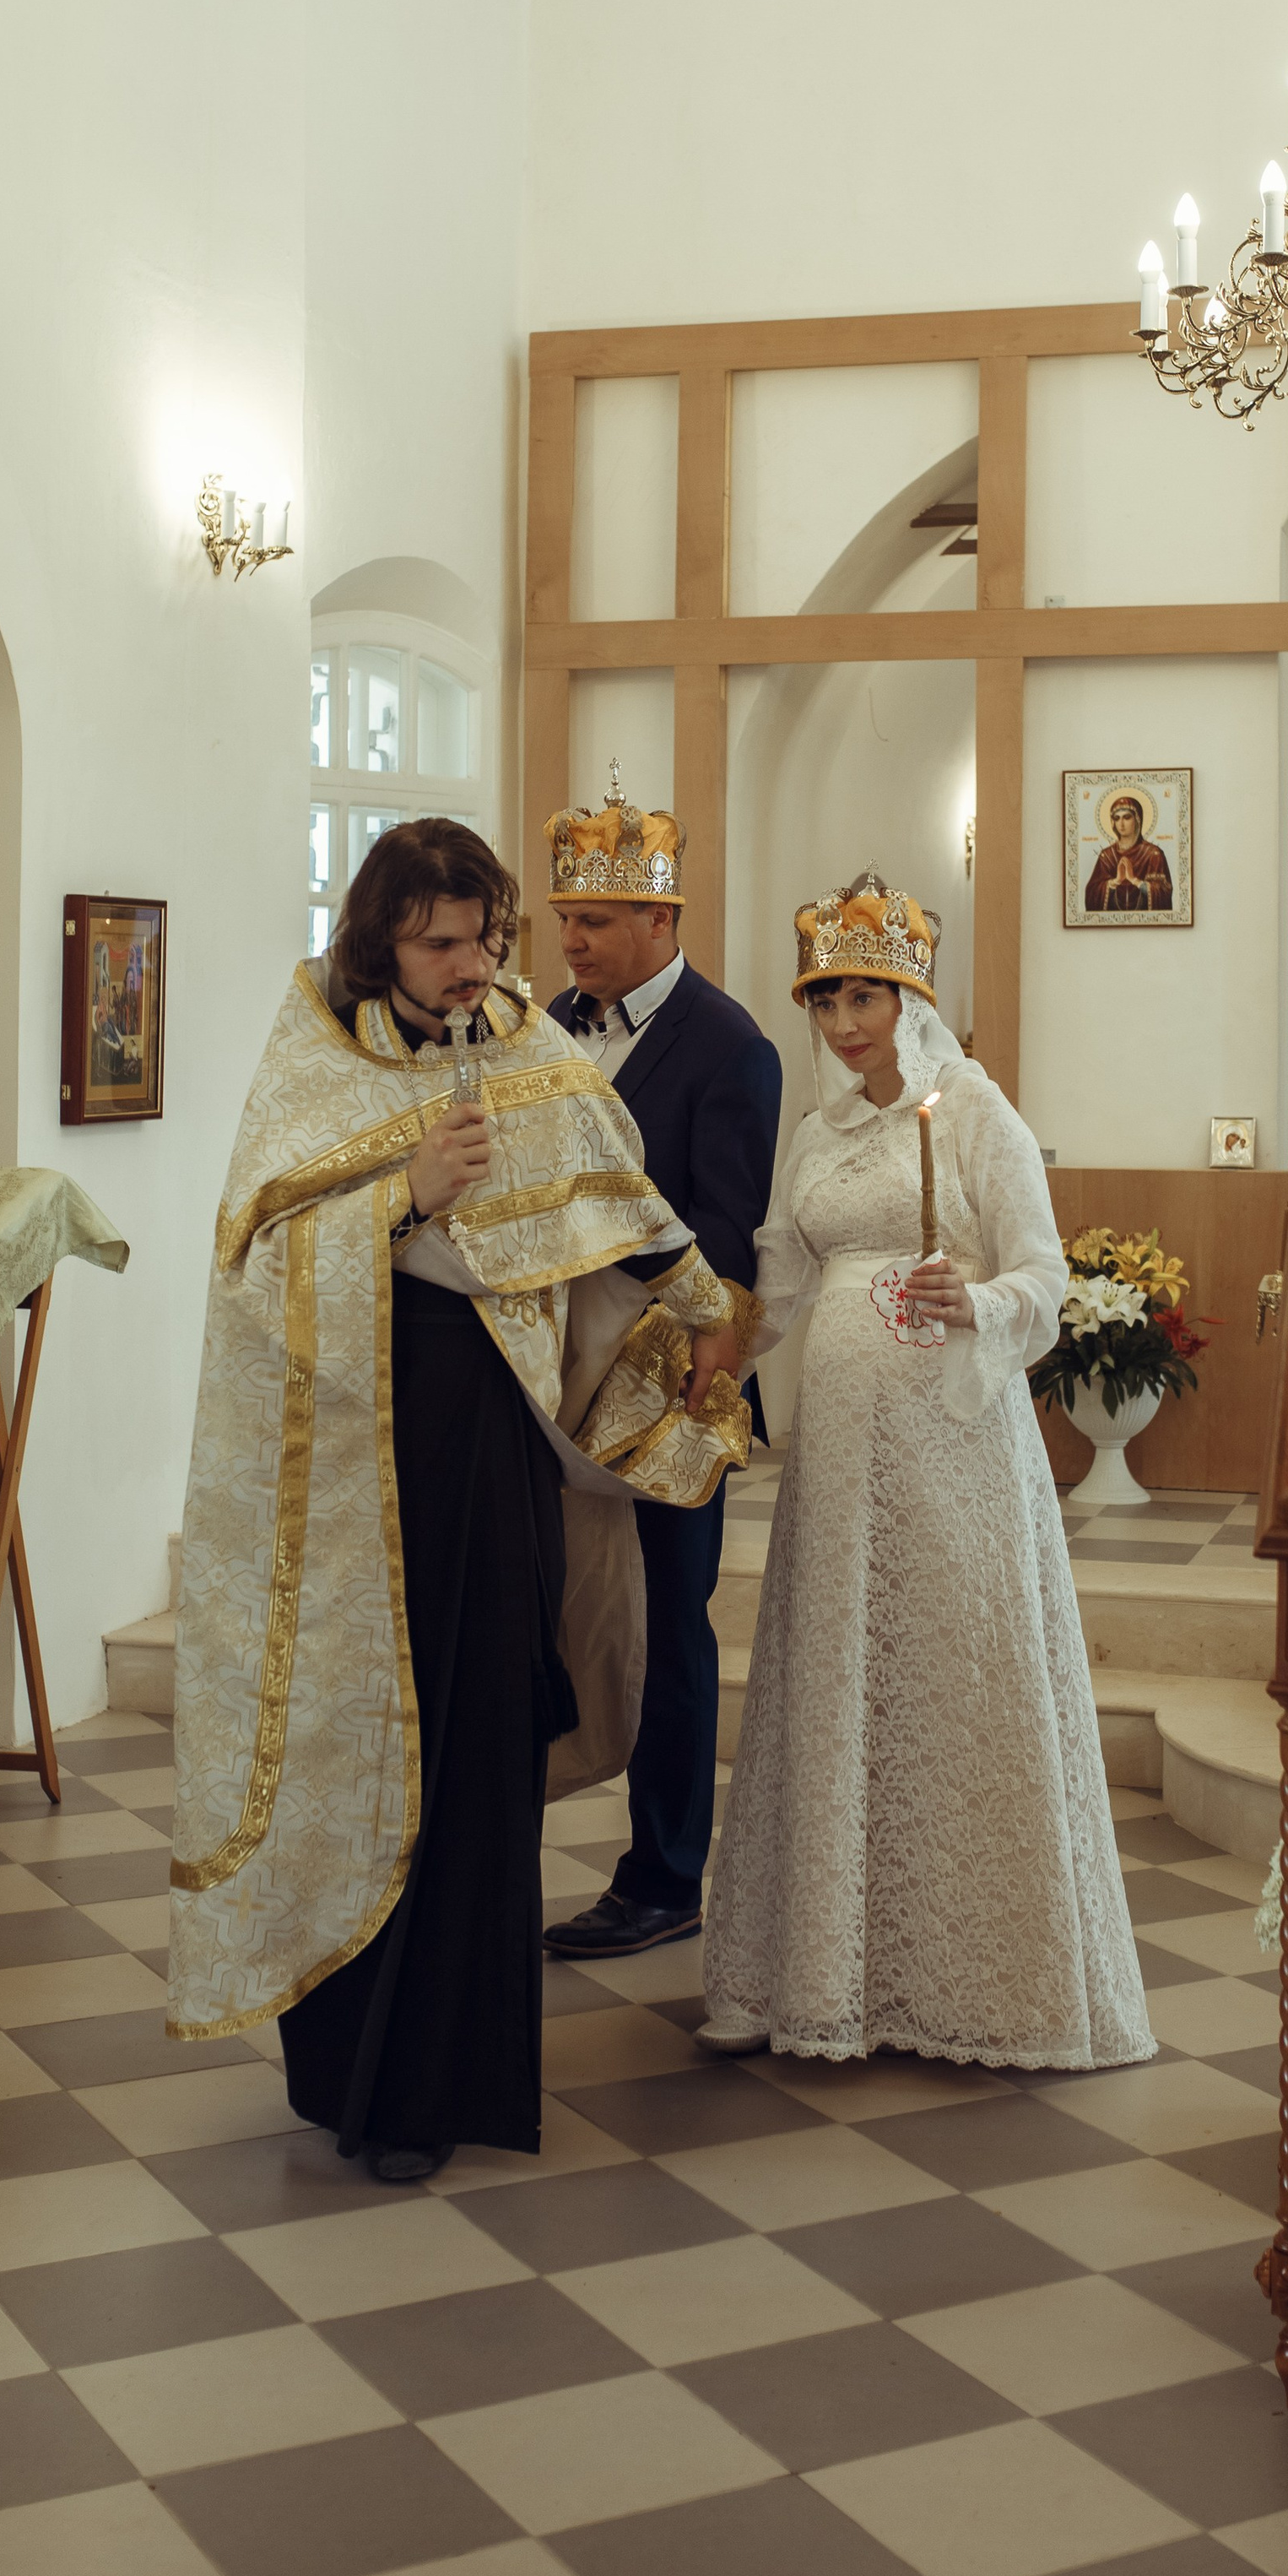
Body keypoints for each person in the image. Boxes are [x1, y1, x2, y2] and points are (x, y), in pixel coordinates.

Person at [167, 819, 743, 2182]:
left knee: (487, 1734)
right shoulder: (317, 1053)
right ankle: (380, 2090)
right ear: (381, 936)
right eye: (441, 942)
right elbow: (251, 1254)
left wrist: (709, 1308)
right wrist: (400, 1202)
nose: (472, 965)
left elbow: (617, 1187)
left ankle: (474, 2071)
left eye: (487, 936)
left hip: (494, 1450)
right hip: (368, 1453)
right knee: (378, 1752)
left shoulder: (521, 1036)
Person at [699, 868, 1154, 2072]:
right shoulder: (823, 1130)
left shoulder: (978, 1117)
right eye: (826, 999)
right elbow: (784, 1289)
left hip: (953, 1445)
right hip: (841, 1460)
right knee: (841, 1676)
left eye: (866, 995)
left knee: (958, 1672)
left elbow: (1045, 1278)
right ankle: (831, 1968)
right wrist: (702, 1365)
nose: (845, 1021)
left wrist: (982, 1296)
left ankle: (988, 1978)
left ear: (912, 993)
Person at [538, 764, 782, 1960]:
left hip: (674, 1376)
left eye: (593, 921)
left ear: (661, 922)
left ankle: (666, 1871)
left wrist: (711, 1360)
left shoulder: (730, 1044)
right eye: (564, 919)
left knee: (671, 1619)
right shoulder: (541, 1028)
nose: (571, 941)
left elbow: (732, 1228)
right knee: (558, 1605)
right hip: (548, 1370)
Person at [1082, 793, 1173, 914]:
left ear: (1137, 819)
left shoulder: (1153, 854)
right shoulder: (1107, 855)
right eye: (1116, 818)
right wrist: (1116, 882)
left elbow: (1164, 893)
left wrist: (1135, 880)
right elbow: (1091, 893)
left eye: (1127, 817)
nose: (1121, 824)